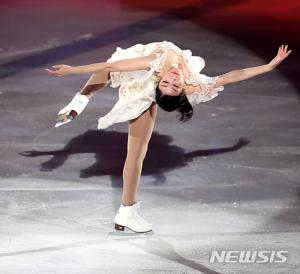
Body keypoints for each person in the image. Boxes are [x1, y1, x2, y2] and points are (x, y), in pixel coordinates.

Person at [45, 41, 291, 233]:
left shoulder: (166, 78)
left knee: (137, 153)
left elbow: (232, 77)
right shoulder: (169, 71)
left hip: (146, 89)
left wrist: (268, 66)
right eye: (172, 84)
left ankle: (126, 211)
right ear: (179, 90)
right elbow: (110, 68)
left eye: (170, 84)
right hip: (144, 75)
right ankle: (81, 99)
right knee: (117, 63)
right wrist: (70, 71)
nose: (173, 78)